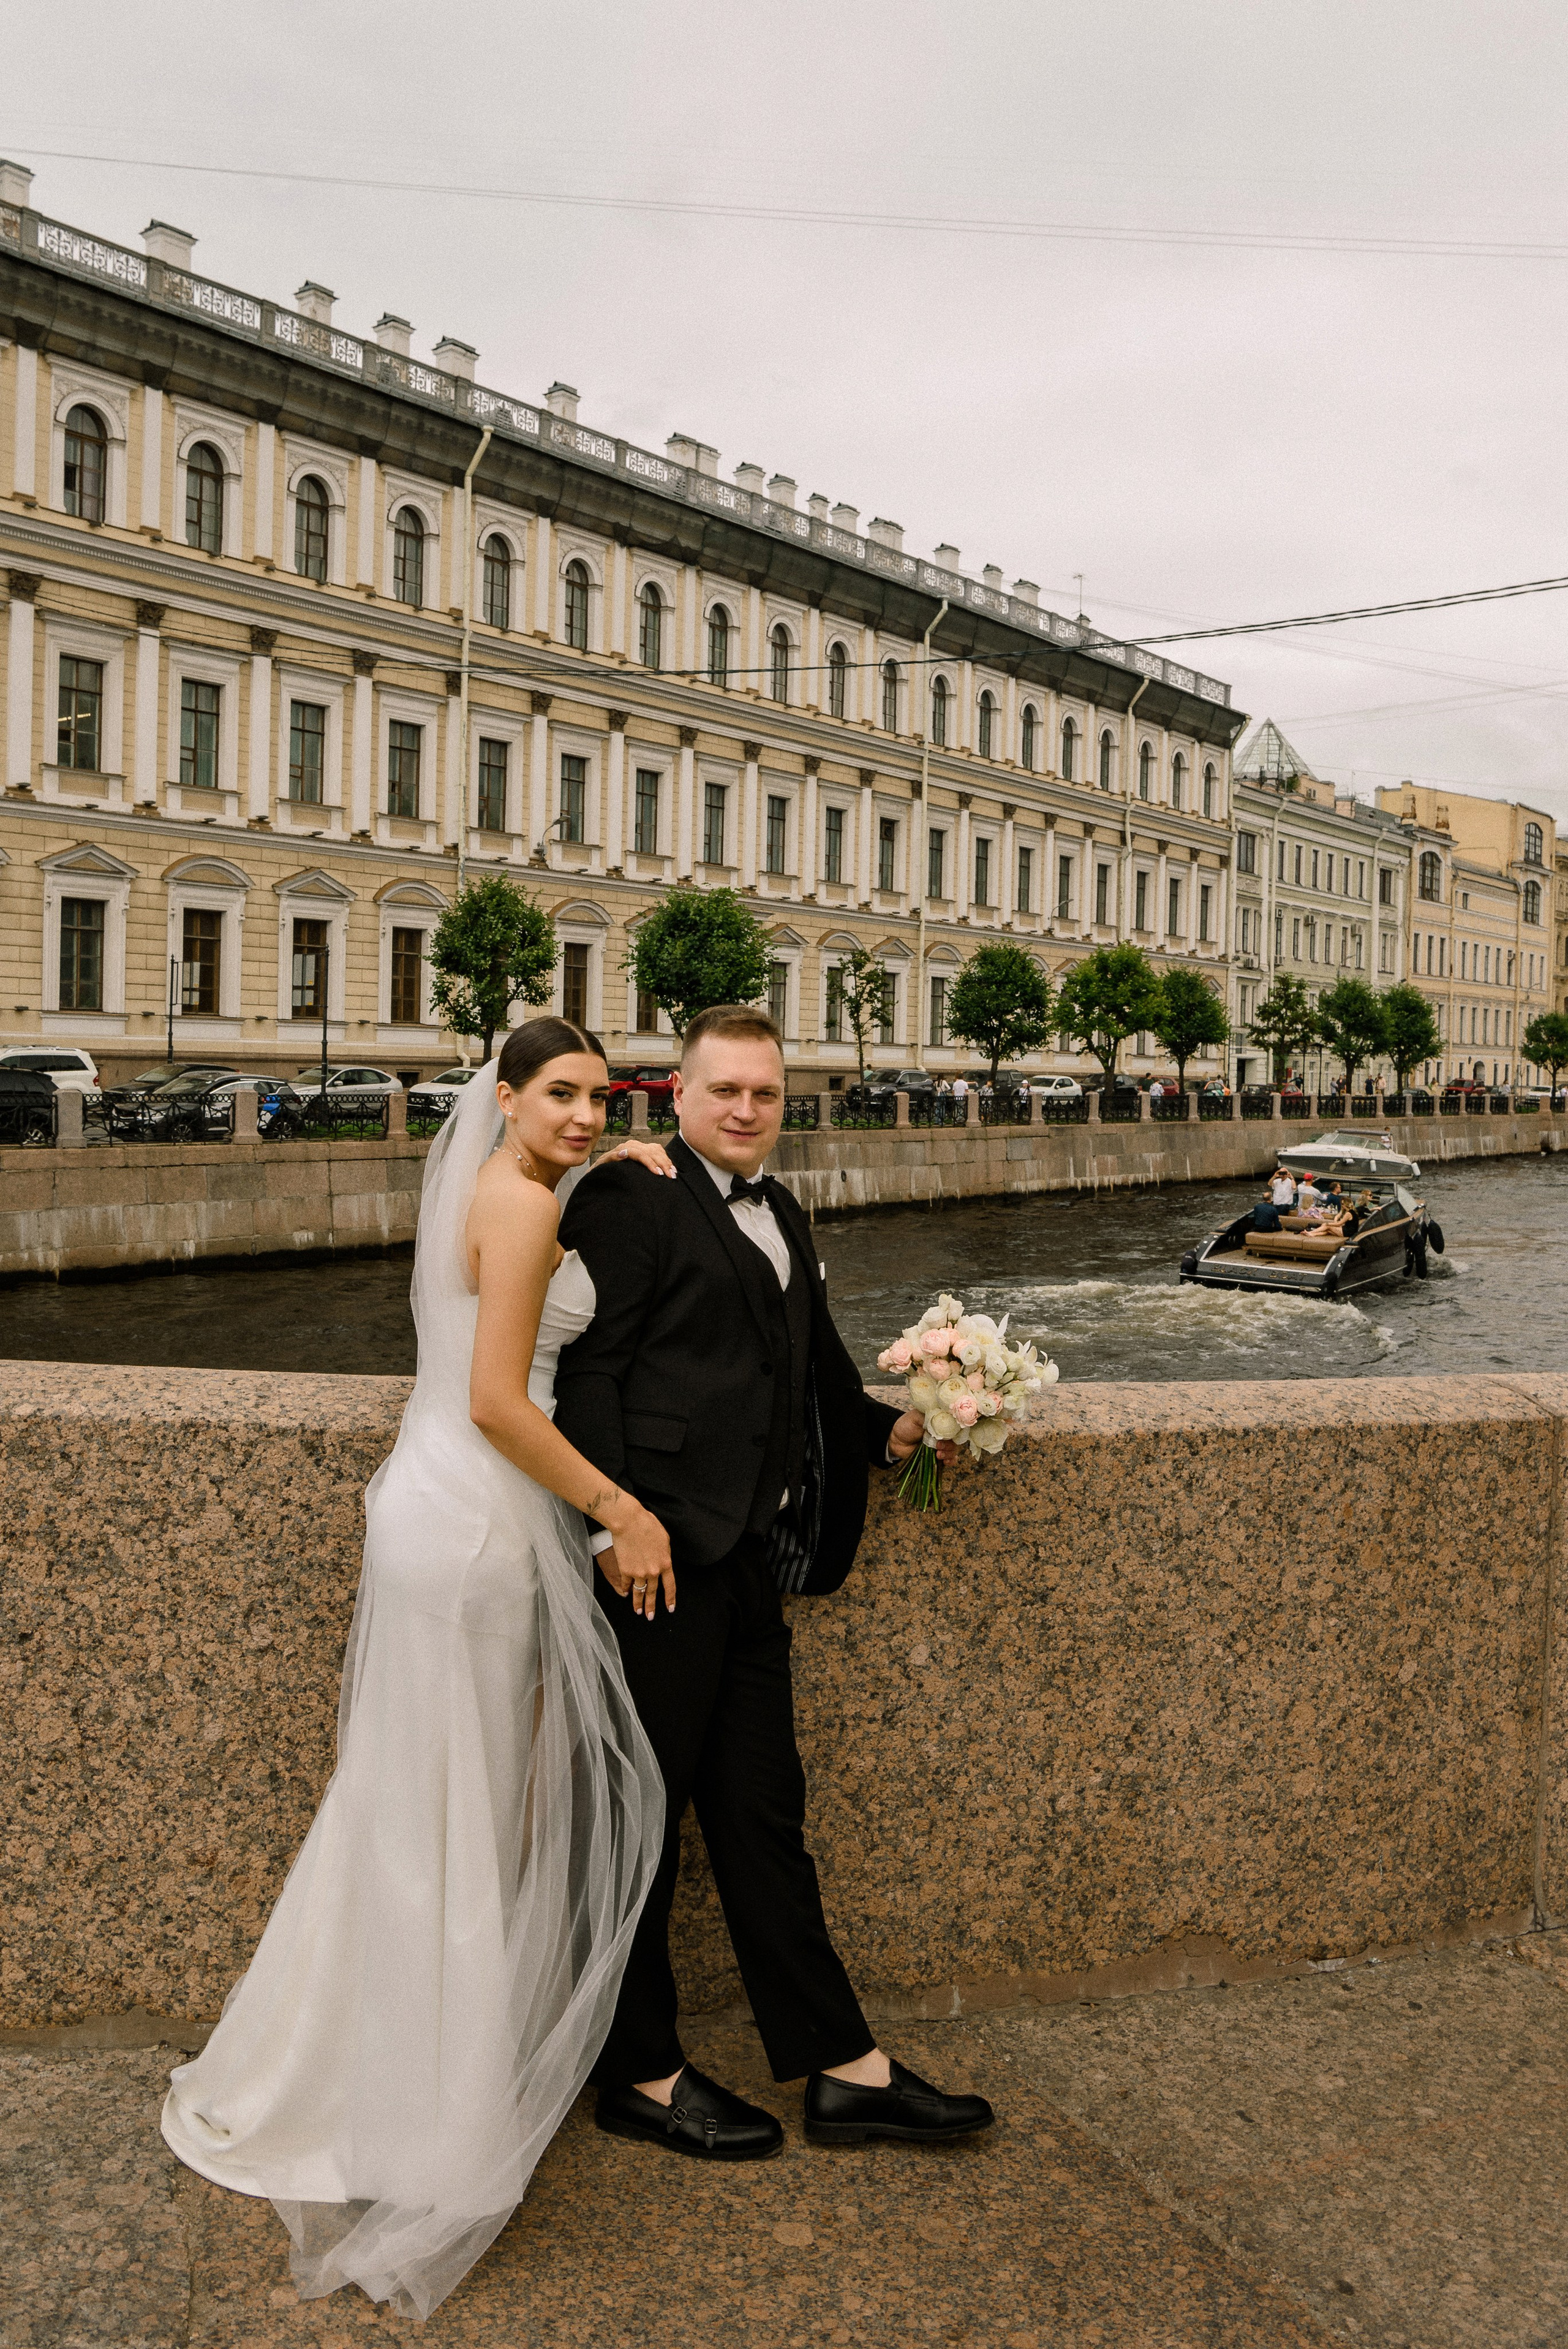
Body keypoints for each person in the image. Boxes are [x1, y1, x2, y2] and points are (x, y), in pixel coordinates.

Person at [160, 1021, 683, 2320]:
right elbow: (505, 1400)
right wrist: (622, 1508)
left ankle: (368, 2070)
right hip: (474, 1524)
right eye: (556, 1094)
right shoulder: (514, 1215)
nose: (577, 1114)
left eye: (595, 1097)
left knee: (412, 1809)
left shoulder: (490, 1187)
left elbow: (486, 1343)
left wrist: (616, 1150)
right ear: (501, 1097)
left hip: (441, 1507)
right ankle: (418, 2115)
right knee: (454, 1816)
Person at [555, 1004, 993, 2163]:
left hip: (745, 1562)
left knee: (763, 1817)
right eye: (724, 1090)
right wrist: (613, 1527)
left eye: (765, 1093)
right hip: (652, 1564)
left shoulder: (782, 1210)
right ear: (679, 1094)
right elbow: (584, 1373)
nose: (746, 1109)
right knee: (640, 1824)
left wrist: (887, 1432)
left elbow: (803, 1373)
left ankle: (843, 2069)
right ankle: (640, 2071)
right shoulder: (630, 1194)